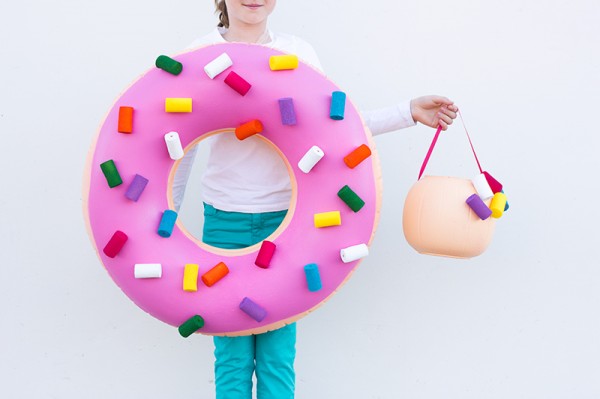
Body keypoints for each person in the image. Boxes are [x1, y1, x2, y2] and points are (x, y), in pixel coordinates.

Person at [173, 1, 458, 398]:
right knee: (232, 355)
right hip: (225, 219)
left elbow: (337, 126)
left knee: (277, 355)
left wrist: (406, 112)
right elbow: (176, 147)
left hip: (286, 223)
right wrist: (164, 223)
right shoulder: (198, 52)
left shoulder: (298, 54)